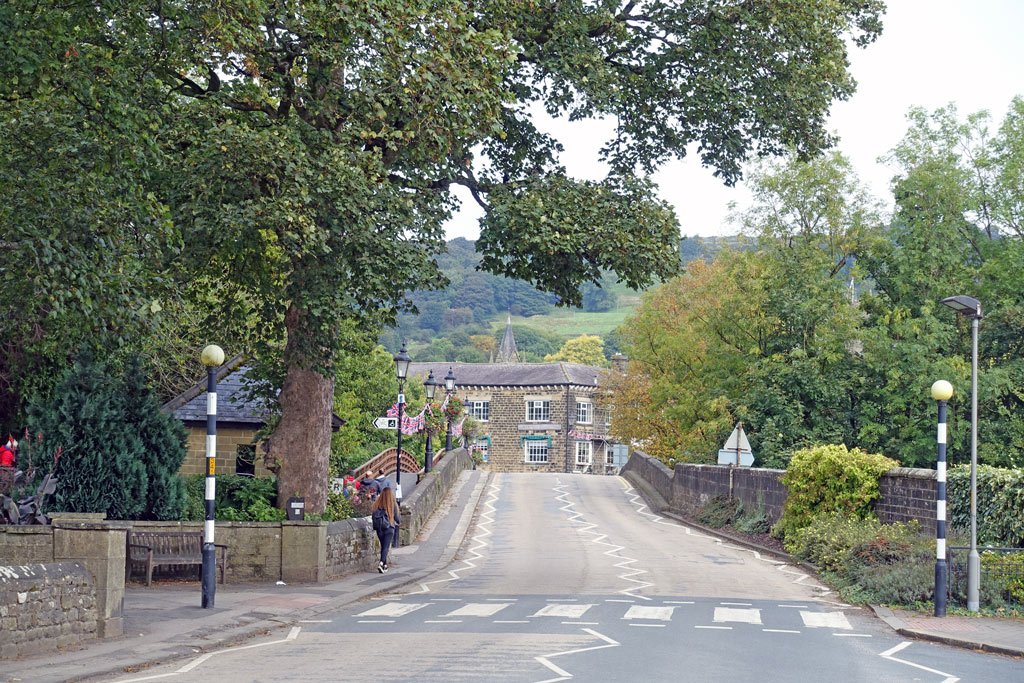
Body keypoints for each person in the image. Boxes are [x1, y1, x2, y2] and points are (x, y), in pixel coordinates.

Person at [371, 486, 401, 573]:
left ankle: (385, 565)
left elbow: (373, 516)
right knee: (386, 547)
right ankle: (381, 563)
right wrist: (399, 521)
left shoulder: (376, 504)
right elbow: (397, 517)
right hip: (389, 527)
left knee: (383, 546)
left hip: (379, 528)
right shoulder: (392, 504)